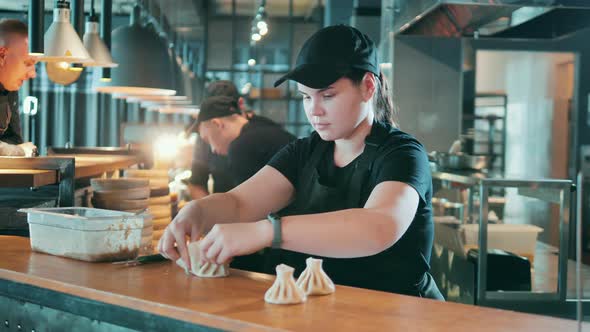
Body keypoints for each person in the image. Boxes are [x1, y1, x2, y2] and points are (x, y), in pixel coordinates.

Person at [160, 25, 443, 300]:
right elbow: (239, 203)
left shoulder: (402, 154)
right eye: (306, 97)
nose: (314, 111)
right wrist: (197, 212)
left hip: (399, 316)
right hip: (327, 313)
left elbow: (378, 227)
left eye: (328, 95)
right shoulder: (305, 152)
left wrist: (268, 231)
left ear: (368, 87)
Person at [0, 19, 37, 156]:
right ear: (2, 55)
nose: (33, 74)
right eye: (27, 63)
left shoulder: (10, 89)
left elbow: (13, 140)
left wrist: (14, 149)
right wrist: (19, 151)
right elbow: (18, 148)